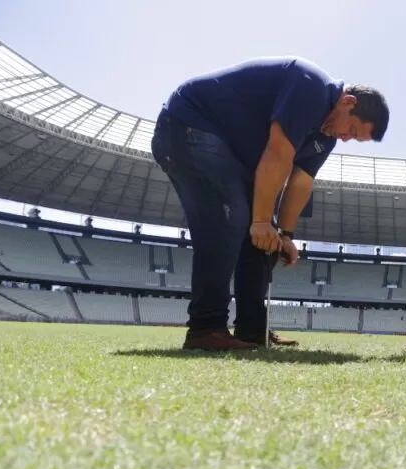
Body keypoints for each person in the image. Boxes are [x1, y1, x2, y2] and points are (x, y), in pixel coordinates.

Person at [150, 57, 389, 350]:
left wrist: (284, 235)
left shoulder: (325, 138)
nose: (345, 138)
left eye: (354, 139)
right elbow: (277, 154)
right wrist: (261, 221)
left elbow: (300, 182)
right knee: (232, 217)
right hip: (189, 123)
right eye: (351, 130)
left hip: (229, 153)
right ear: (348, 102)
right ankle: (205, 327)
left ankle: (252, 330)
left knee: (266, 240)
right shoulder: (311, 86)